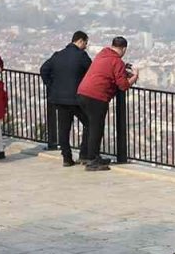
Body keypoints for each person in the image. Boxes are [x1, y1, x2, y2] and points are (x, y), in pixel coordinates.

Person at [76, 36, 139, 172]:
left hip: (82, 93)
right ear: (124, 49)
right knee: (96, 128)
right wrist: (135, 76)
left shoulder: (102, 54)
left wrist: (122, 70)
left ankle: (89, 156)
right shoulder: (117, 61)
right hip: (96, 96)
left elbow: (107, 71)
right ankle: (92, 160)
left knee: (91, 126)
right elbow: (123, 85)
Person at [40, 31, 92, 166]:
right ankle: (84, 154)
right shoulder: (82, 56)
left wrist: (51, 85)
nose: (86, 46)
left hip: (59, 99)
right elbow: (92, 72)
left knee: (64, 129)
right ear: (80, 41)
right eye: (85, 43)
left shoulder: (58, 55)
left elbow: (43, 69)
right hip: (77, 98)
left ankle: (67, 158)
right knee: (90, 123)